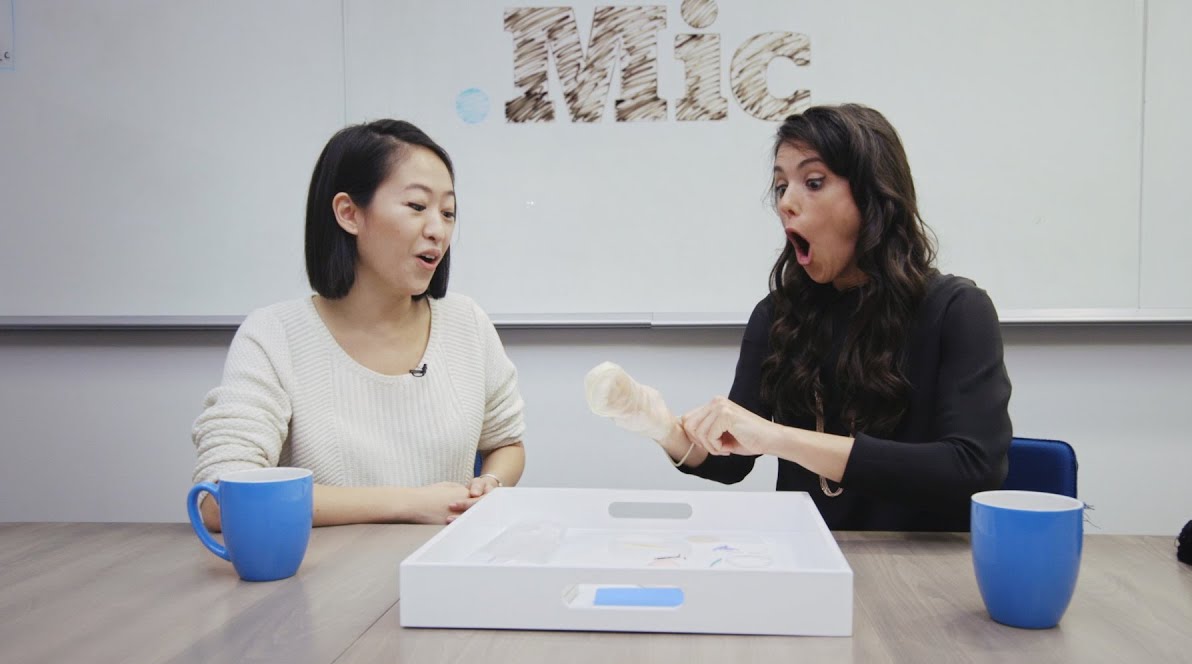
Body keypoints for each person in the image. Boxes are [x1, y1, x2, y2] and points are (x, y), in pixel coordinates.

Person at [602, 104, 1011, 531]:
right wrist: (659, 424)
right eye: (781, 186)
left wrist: (779, 438)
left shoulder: (957, 310)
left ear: (873, 195)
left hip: (920, 563)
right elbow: (730, 461)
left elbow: (972, 468)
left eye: (813, 182)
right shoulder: (777, 316)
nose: (786, 203)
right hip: (809, 553)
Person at [192, 119, 526, 530]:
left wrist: (491, 484)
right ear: (349, 213)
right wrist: (410, 504)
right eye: (417, 207)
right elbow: (219, 500)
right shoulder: (274, 335)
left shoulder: (467, 324)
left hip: (441, 562)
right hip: (327, 568)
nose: (438, 230)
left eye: (448, 213)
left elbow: (506, 443)